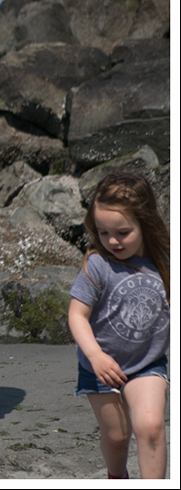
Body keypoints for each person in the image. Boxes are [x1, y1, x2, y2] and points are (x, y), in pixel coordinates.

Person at [67, 173, 170, 479]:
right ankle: (117, 478)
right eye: (104, 232)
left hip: (146, 364)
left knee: (150, 427)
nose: (112, 241)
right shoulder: (99, 264)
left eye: (123, 232)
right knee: (117, 437)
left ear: (145, 223)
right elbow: (76, 315)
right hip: (100, 367)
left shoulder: (164, 261)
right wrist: (95, 356)